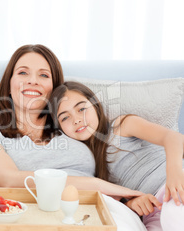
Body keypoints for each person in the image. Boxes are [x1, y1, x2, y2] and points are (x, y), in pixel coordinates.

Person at [0, 44, 143, 198]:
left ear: (54, 89)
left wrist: (127, 201)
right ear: (9, 85)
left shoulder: (72, 127)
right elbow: (6, 180)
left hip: (100, 207)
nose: (32, 80)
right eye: (23, 73)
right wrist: (98, 186)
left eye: (44, 75)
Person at [50, 81, 184, 230]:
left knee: (174, 215)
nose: (76, 119)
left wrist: (175, 172)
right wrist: (132, 204)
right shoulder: (86, 166)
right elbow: (118, 202)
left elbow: (173, 138)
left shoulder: (121, 126)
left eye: (81, 109)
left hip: (175, 186)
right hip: (154, 210)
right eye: (64, 118)